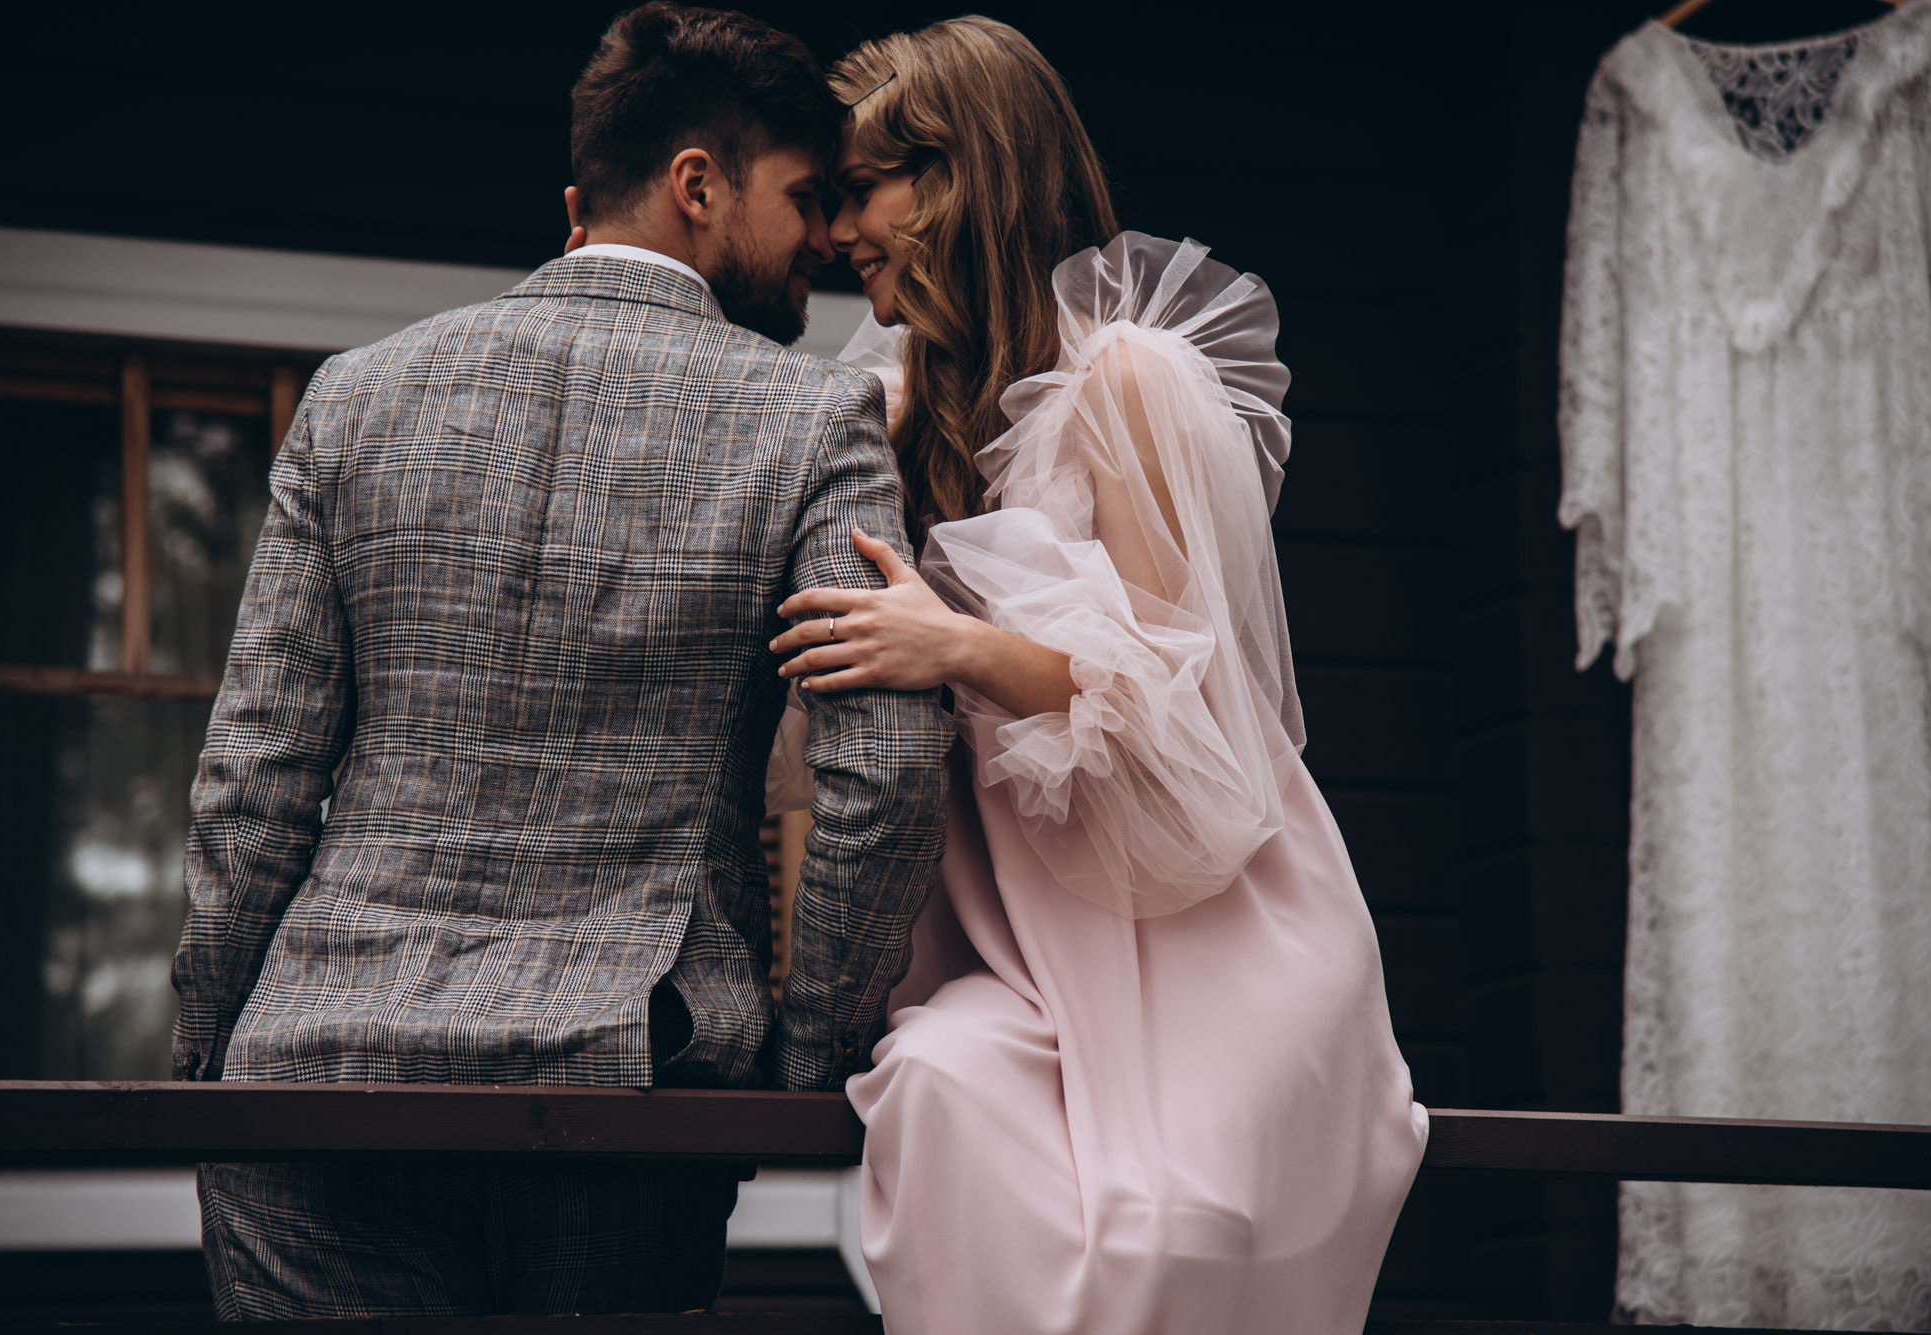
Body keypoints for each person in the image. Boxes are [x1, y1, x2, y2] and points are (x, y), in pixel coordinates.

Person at [168, 3, 948, 1318]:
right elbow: (884, 775)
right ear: (697, 187)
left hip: (309, 1082)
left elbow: (254, 774)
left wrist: (205, 1057)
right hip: (628, 1086)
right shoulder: (814, 416)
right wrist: (805, 1065)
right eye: (802, 197)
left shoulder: (356, 394)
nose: (824, 239)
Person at [764, 17, 1429, 1334]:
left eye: (858, 193)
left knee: (1178, 1224)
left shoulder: (1127, 380)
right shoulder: (882, 406)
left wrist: (961, 648)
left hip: (1211, 924)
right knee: (944, 1088)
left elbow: (1193, 704)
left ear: (953, 180)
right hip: (1017, 947)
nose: (839, 233)